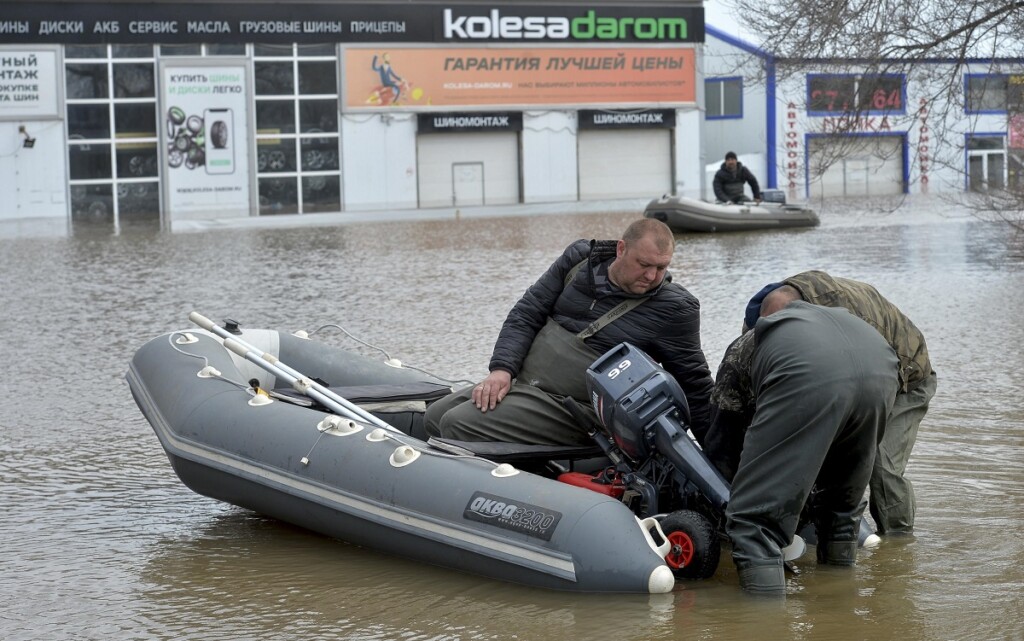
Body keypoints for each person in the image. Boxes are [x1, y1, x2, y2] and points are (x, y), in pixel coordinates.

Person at [424, 218, 714, 446]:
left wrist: (722, 464)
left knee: (456, 423)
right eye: (644, 264)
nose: (652, 276)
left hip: (577, 410)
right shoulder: (580, 260)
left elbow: (696, 386)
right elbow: (527, 313)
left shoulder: (676, 307)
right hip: (526, 385)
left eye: (661, 268)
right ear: (621, 249)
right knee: (435, 415)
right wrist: (502, 369)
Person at [705, 296, 899, 595]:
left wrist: (736, 499)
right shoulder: (837, 318)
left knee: (753, 522)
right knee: (841, 506)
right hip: (881, 370)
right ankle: (838, 609)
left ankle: (764, 625)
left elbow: (723, 433)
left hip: (811, 376)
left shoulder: (749, 342)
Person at [740, 271, 937, 535]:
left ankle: (897, 543)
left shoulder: (845, 317)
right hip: (844, 374)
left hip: (902, 377)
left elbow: (871, 377)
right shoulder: (767, 311)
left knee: (880, 464)